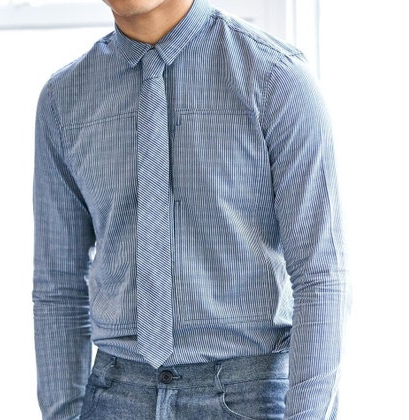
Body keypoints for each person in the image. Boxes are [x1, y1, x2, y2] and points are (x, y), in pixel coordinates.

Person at [32, 0, 348, 419]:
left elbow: (320, 275)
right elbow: (58, 284)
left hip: (247, 396)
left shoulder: (276, 78)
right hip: (113, 395)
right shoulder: (63, 100)